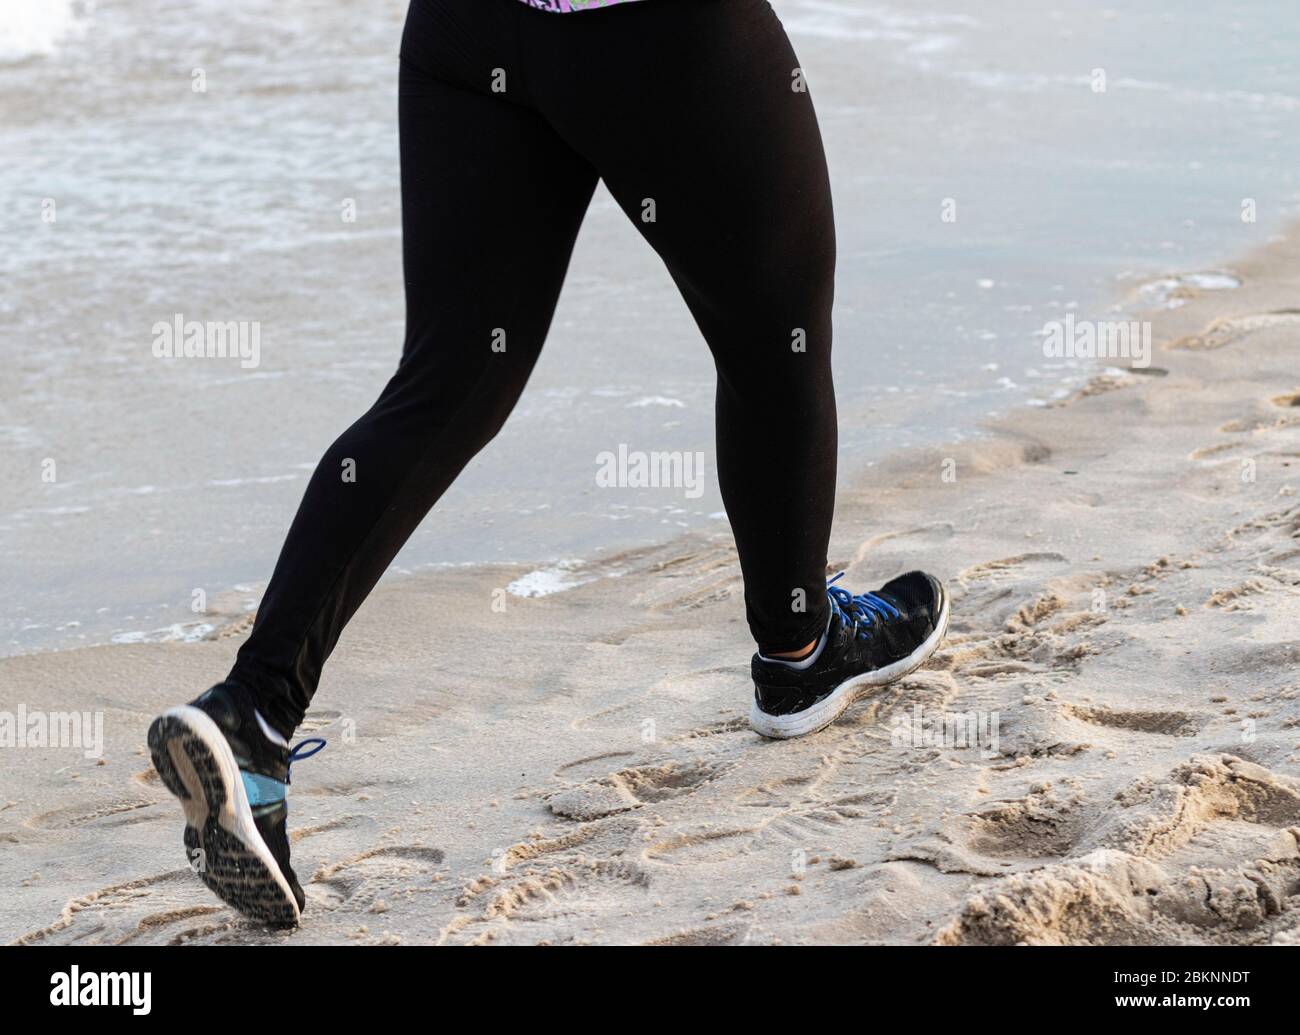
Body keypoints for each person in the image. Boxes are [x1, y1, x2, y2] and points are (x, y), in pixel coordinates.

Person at [147, 0, 949, 927]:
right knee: (777, 337)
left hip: (470, 29)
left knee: (448, 381)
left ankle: (256, 710)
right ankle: (800, 649)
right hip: (654, 30)